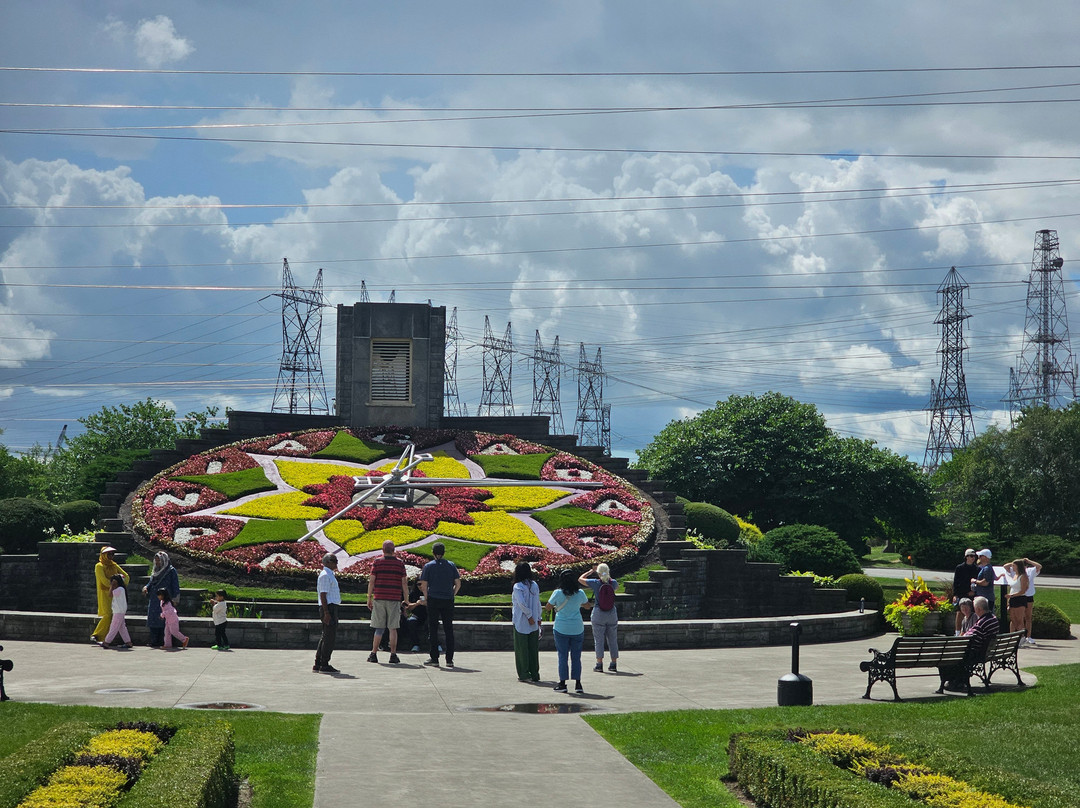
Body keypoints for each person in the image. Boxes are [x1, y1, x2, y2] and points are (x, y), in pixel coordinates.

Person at [940, 595, 999, 693]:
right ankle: (957, 680)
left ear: (979, 609)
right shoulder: (993, 619)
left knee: (946, 657)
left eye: (975, 609)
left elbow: (968, 637)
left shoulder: (982, 623)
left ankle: (954, 682)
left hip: (976, 654)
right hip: (985, 652)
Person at [547, 569, 589, 694]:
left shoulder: (557, 593)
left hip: (561, 628)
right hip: (577, 628)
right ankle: (578, 683)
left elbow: (548, 607)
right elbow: (587, 606)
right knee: (576, 657)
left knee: (562, 656)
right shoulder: (580, 593)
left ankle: (562, 683)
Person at [420, 542, 461, 668]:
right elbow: (458, 584)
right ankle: (449, 659)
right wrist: (452, 594)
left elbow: (424, 585)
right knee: (449, 629)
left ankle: (434, 658)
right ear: (444, 552)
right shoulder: (451, 565)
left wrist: (427, 598)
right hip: (448, 600)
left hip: (433, 599)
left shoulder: (428, 566)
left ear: (433, 552)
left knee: (433, 629)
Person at [367, 540, 408, 665]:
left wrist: (369, 597)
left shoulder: (377, 562)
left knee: (379, 628)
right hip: (394, 599)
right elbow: (404, 583)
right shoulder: (399, 563)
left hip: (379, 598)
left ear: (383, 550)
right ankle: (393, 654)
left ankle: (374, 654)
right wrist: (406, 599)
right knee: (393, 628)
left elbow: (372, 581)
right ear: (394, 550)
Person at [579, 562, 619, 673]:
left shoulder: (596, 583)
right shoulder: (613, 583)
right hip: (611, 613)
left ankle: (599, 664)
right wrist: (607, 576)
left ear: (599, 573)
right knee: (613, 639)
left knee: (599, 640)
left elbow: (580, 579)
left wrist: (591, 572)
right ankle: (613, 663)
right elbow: (616, 587)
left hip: (599, 612)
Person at [91, 546, 129, 643]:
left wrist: (120, 585)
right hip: (105, 593)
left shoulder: (114, 565)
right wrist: (113, 585)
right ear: (103, 555)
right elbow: (103, 580)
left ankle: (107, 639)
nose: (111, 556)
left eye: (112, 554)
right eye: (109, 554)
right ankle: (97, 635)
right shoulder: (99, 566)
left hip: (116, 594)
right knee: (108, 614)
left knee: (115, 615)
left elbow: (126, 576)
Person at [511, 561, 542, 682]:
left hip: (522, 621)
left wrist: (530, 616)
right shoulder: (534, 585)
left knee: (522, 649)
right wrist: (538, 618)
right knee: (533, 649)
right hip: (534, 621)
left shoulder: (518, 586)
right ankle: (535, 673)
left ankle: (524, 674)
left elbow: (521, 604)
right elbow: (538, 603)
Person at [143, 551, 179, 648]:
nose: (158, 563)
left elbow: (175, 586)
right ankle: (154, 640)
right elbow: (150, 583)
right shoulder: (155, 570)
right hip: (155, 599)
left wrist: (175, 599)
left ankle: (164, 641)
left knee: (165, 620)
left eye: (159, 560)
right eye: (156, 560)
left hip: (166, 600)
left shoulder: (171, 571)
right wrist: (146, 587)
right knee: (153, 619)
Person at [314, 553, 341, 673]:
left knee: (326, 635)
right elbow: (323, 595)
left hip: (330, 607)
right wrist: (326, 612)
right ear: (328, 562)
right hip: (329, 608)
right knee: (329, 637)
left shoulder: (329, 575)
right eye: (334, 561)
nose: (336, 563)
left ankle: (319, 663)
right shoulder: (325, 575)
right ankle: (324, 664)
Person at [100, 574, 132, 649]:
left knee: (114, 626)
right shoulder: (121, 589)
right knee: (122, 627)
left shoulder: (120, 589)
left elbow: (110, 594)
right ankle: (128, 642)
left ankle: (107, 642)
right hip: (119, 611)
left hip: (118, 611)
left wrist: (111, 586)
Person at [951, 549, 978, 634]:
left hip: (971, 593)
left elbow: (978, 582)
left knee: (971, 613)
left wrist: (974, 591)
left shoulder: (977, 569)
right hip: (961, 593)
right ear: (966, 557)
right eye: (970, 556)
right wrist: (955, 595)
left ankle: (969, 631)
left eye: (974, 556)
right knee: (960, 612)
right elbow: (956, 582)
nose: (972, 558)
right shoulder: (960, 568)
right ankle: (957, 632)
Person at [1004, 559, 1030, 634]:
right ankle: (1011, 636)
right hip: (1012, 599)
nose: (1012, 567)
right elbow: (1005, 566)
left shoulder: (1023, 576)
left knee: (1019, 620)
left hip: (1020, 599)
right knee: (1013, 620)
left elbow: (1023, 590)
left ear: (1018, 566)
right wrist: (1009, 600)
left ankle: (1021, 637)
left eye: (1014, 566)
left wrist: (1011, 595)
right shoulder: (1015, 575)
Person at [1021, 557, 1042, 646]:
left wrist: (1028, 560)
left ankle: (1028, 636)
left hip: (1029, 596)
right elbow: (1006, 566)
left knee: (1028, 617)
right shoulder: (1016, 571)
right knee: (1020, 617)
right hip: (1020, 596)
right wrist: (1017, 561)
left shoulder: (1030, 571)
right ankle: (1021, 636)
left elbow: (1039, 566)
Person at [402, 582, 428, 652]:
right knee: (411, 622)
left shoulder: (430, 592)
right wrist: (417, 604)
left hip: (428, 616)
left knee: (430, 624)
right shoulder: (413, 594)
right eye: (418, 584)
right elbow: (408, 607)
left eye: (422, 584)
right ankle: (416, 644)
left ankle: (436, 644)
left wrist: (426, 603)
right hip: (416, 615)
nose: (420, 586)